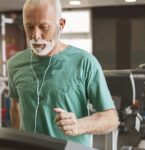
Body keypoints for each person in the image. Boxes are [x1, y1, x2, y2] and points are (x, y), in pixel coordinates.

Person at [7, 0, 119, 147]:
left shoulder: (84, 62)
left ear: (61, 24)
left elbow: (111, 119)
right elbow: (16, 105)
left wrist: (79, 125)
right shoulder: (14, 64)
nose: (36, 35)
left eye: (43, 27)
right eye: (29, 27)